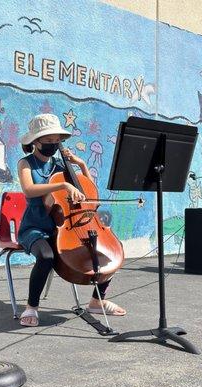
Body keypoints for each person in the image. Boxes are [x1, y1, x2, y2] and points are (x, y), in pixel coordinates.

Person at [17, 113, 126, 326]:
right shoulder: (26, 163)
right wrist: (62, 185)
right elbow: (29, 190)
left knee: (111, 249)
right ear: (35, 142)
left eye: (56, 140)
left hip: (67, 226)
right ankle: (31, 306)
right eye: (48, 140)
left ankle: (97, 301)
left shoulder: (60, 165)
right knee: (47, 256)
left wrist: (82, 164)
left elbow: (88, 191)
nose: (53, 144)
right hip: (37, 227)